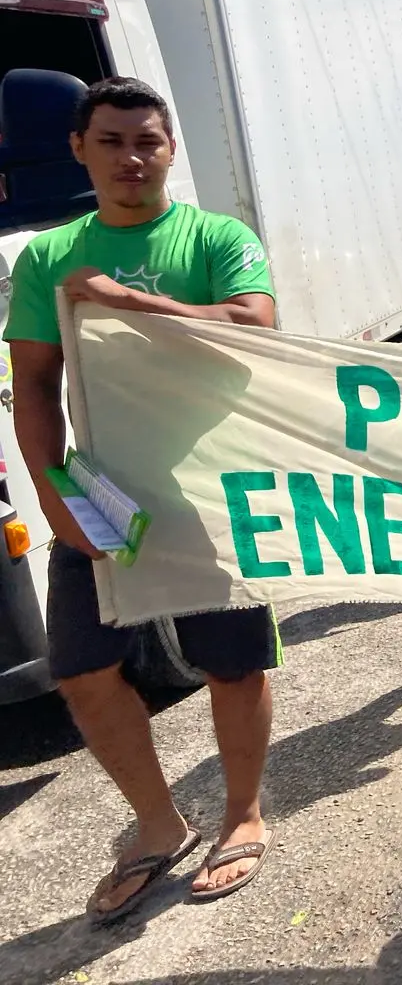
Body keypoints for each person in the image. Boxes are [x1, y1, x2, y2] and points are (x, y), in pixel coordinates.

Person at [5, 77, 279, 920]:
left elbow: (258, 327)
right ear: (79, 150)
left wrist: (135, 302)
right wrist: (57, 501)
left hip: (208, 489)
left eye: (147, 142)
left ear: (170, 150)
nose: (132, 158)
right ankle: (158, 825)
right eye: (112, 141)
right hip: (101, 493)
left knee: (232, 665)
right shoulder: (48, 258)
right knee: (83, 671)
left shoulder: (214, 236)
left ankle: (243, 815)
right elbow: (36, 388)